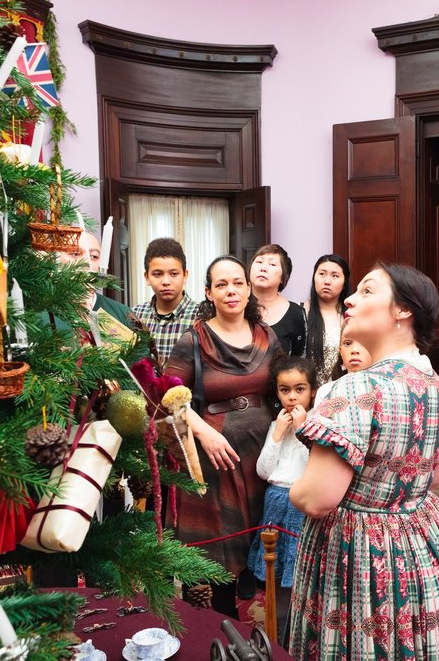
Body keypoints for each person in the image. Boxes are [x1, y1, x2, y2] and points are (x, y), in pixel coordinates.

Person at [287, 263, 439, 661]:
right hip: (422, 539)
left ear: (403, 311)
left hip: (358, 552)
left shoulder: (353, 387)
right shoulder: (435, 385)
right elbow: (436, 476)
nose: (349, 298)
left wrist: (293, 486)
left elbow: (317, 499)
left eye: (367, 290)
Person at [162, 255, 282, 618]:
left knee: (259, 544)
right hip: (216, 458)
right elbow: (165, 396)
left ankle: (261, 622)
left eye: (237, 283)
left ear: (248, 289)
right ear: (208, 293)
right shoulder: (193, 340)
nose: (231, 291)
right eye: (221, 285)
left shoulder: (267, 336)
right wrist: (205, 434)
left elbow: (286, 387)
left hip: (263, 456)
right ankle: (220, 627)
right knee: (219, 552)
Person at [246, 355, 318, 641]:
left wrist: (302, 432)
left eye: (299, 389)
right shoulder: (275, 424)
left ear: (313, 390)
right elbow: (263, 471)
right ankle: (279, 632)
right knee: (275, 574)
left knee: (299, 575)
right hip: (275, 502)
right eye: (284, 390)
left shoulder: (316, 425)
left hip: (301, 504)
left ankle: (300, 633)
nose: (292, 397)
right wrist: (277, 434)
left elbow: (317, 467)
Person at [131, 237, 197, 364]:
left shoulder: (200, 316)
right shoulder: (135, 315)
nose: (166, 282)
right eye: (157, 274)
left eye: (174, 274)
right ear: (147, 277)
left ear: (185, 275)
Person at [302, 254, 351, 386]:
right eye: (322, 274)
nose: (327, 281)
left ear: (344, 282)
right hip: (307, 394)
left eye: (335, 276)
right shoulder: (300, 313)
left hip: (343, 389)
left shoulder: (352, 316)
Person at [249, 244, 306, 356]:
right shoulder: (236, 305)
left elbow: (299, 360)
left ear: (283, 277)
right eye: (259, 262)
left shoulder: (296, 313)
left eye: (272, 264)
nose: (263, 268)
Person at [313, 332, 370, 408]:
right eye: (347, 343)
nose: (354, 350)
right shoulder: (325, 392)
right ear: (341, 351)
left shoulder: (384, 389)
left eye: (363, 343)